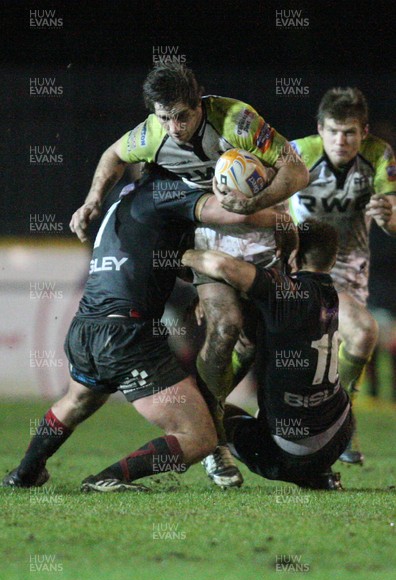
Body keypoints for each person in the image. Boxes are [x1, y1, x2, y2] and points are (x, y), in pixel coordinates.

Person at [69, 63, 309, 487]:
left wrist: (255, 204)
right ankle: (213, 445)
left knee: (252, 344)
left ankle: (229, 427)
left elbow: (296, 171)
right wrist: (91, 201)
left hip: (259, 231)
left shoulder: (237, 120)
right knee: (226, 325)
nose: (175, 127)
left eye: (182, 115)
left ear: (199, 104)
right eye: (165, 117)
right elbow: (113, 155)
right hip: (208, 237)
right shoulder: (153, 133)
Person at [2, 171, 280, 491]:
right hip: (126, 335)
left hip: (87, 326)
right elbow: (228, 212)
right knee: (198, 438)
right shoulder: (167, 190)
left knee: (79, 399)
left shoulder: (128, 198)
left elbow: (157, 259)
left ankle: (25, 473)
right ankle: (107, 479)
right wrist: (284, 216)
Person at [181, 219, 351, 490]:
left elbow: (222, 265)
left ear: (293, 255)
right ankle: (319, 470)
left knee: (201, 413)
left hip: (288, 455)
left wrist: (182, 254)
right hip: (340, 436)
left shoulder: (288, 294)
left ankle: (298, 469)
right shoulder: (330, 294)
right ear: (331, 261)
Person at [286, 88, 396, 463]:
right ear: (320, 128)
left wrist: (388, 218)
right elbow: (268, 201)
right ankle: (219, 427)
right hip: (301, 266)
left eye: (349, 132)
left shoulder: (380, 156)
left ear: (364, 131)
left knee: (343, 347)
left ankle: (334, 427)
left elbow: (394, 220)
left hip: (349, 272)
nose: (340, 140)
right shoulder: (298, 153)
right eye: (333, 131)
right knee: (359, 334)